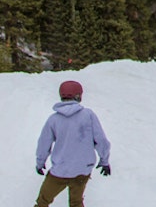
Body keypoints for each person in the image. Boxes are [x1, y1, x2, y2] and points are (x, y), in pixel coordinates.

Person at [33, 79, 111, 207]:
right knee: (76, 203)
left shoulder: (54, 119)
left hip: (60, 170)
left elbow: (44, 144)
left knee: (43, 201)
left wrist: (40, 163)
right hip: (82, 169)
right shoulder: (88, 115)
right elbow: (101, 140)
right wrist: (104, 161)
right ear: (78, 96)